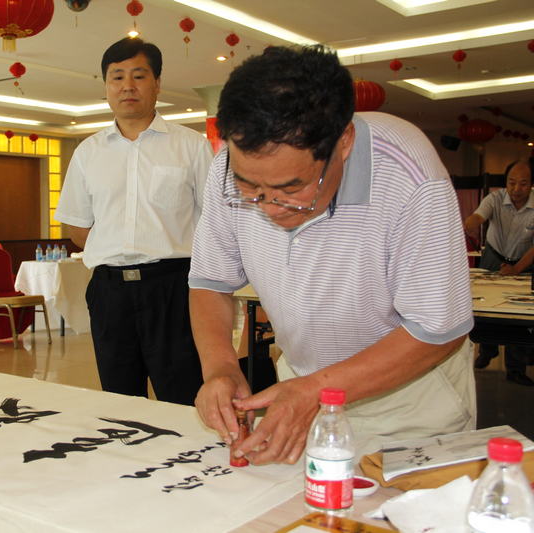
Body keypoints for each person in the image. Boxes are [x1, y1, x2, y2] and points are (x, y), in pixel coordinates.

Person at [189, 45, 475, 465]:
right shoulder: (228, 169)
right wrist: (220, 367)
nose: (269, 207)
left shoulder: (410, 176)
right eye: (251, 189)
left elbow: (437, 330)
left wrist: (314, 392)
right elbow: (210, 282)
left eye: (292, 189)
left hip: (410, 405)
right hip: (300, 390)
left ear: (344, 142)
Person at [54, 37, 213, 405]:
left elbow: (215, 221)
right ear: (106, 86)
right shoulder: (88, 152)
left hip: (173, 289)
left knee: (183, 393)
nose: (127, 86)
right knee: (119, 397)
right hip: (110, 293)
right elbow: (77, 226)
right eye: (117, 77)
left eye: (139, 76)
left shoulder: (190, 146)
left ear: (157, 84)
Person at [464, 159, 534, 386]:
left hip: (523, 261)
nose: (516, 189)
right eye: (512, 182)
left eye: (523, 184)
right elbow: (479, 216)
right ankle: (487, 350)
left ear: (531, 183)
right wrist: (468, 224)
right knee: (486, 306)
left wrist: (517, 269)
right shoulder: (494, 198)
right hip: (493, 257)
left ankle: (515, 368)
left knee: (516, 313)